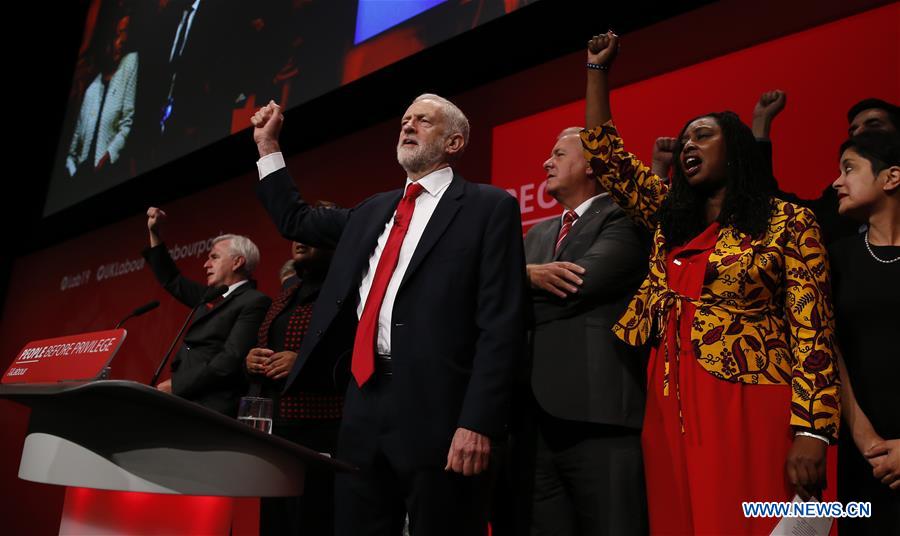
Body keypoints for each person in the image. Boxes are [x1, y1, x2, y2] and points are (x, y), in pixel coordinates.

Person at [580, 32, 839, 534]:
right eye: (685, 141)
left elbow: (814, 330)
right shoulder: (669, 219)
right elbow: (606, 157)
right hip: (669, 399)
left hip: (750, 398)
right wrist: (597, 71)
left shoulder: (788, 221)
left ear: (736, 149)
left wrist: (815, 431)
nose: (688, 147)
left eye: (703, 136)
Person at [251, 95, 527, 535]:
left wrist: (477, 422)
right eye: (404, 120)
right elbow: (295, 218)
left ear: (454, 142)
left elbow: (501, 324)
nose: (408, 126)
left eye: (423, 120)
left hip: (441, 405)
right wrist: (268, 147)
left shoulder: (488, 207)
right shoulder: (371, 211)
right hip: (363, 398)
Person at [521, 126, 649, 534]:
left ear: (592, 165)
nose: (546, 162)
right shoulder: (536, 233)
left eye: (559, 154)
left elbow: (578, 285)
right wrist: (527, 275)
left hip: (599, 413)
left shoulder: (624, 216)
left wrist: (518, 292)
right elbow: (496, 300)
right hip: (535, 421)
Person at [246, 239, 343, 535]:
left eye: (312, 234)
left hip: (318, 427)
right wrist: (251, 358)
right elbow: (272, 342)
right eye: (296, 234)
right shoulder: (288, 292)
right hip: (276, 425)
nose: (299, 240)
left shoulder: (346, 289)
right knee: (275, 521)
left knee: (312, 520)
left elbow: (354, 355)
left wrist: (303, 364)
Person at [829, 131, 900, 535]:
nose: (837, 181)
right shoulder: (836, 258)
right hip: (864, 459)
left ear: (891, 178)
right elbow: (826, 347)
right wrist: (865, 437)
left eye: (849, 169)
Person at [142, 207, 270, 416]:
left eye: (214, 257)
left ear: (237, 262)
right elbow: (172, 280)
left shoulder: (255, 302)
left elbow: (231, 358)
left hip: (213, 408)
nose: (206, 264)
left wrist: (178, 385)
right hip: (185, 401)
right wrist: (154, 233)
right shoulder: (209, 296)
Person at [66, 15, 138, 178]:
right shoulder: (91, 90)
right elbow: (74, 147)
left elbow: (127, 123)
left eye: (124, 33)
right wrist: (73, 172)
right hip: (81, 177)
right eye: (116, 36)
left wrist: (109, 155)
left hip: (108, 172)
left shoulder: (129, 64)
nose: (120, 41)